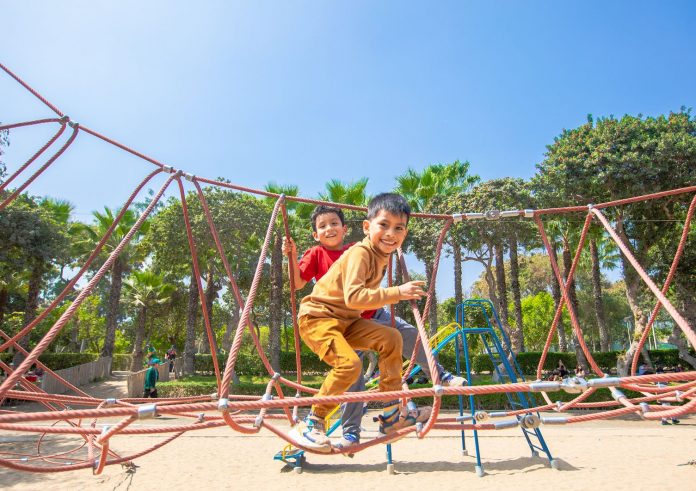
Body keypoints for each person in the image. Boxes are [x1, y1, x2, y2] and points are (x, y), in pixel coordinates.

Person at [283, 203, 465, 451]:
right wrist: (397, 292)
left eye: (398, 228)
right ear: (367, 227)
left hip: (350, 320)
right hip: (319, 318)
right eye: (384, 225)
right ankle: (313, 420)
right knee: (350, 366)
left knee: (393, 337)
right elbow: (354, 297)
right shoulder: (357, 252)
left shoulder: (379, 253)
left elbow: (356, 301)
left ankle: (391, 416)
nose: (391, 233)